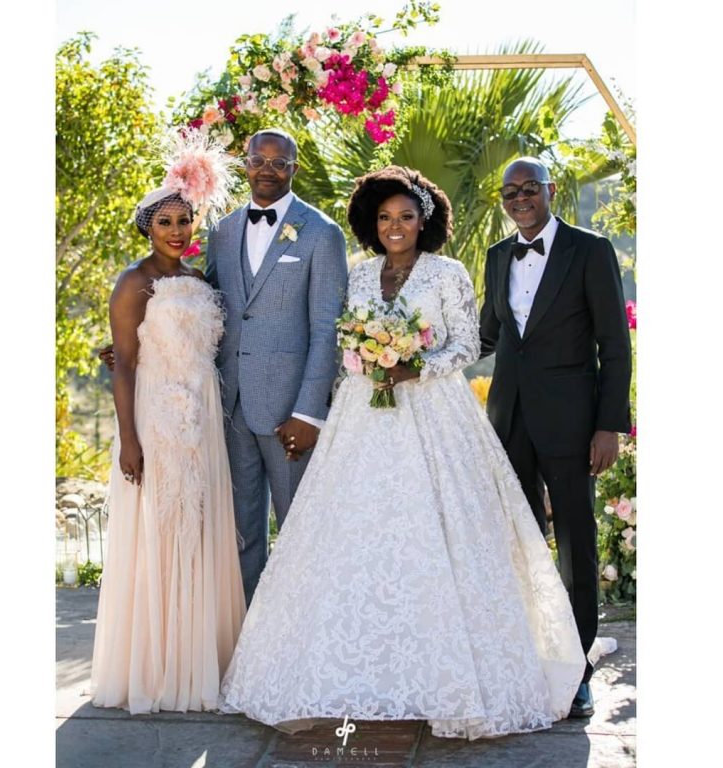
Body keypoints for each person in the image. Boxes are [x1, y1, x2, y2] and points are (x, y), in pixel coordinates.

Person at [217, 166, 586, 740]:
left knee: (436, 534)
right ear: (373, 222)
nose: (395, 226)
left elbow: (467, 343)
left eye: (406, 217)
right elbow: (343, 338)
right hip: (362, 416)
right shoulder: (361, 275)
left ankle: (448, 678)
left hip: (435, 415)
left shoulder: (448, 272)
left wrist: (415, 367)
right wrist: (365, 358)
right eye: (386, 217)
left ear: (424, 221)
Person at [90, 135, 246, 714]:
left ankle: (200, 657)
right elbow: (125, 364)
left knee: (200, 528)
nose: (177, 231)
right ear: (147, 228)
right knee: (161, 528)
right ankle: (158, 666)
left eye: (184, 220)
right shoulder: (133, 282)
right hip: (156, 417)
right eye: (165, 222)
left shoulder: (203, 281)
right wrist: (130, 440)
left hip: (204, 418)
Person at [478, 157, 632, 718]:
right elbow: (486, 335)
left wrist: (608, 425)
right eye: (510, 192)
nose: (520, 198)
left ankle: (578, 670)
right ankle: (528, 654)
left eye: (529, 188)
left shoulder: (589, 250)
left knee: (575, 544)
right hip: (509, 419)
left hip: (572, 422)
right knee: (519, 541)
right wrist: (415, 352)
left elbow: (614, 343)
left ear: (550, 190)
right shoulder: (497, 256)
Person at [205, 128, 349, 604]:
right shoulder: (222, 230)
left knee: (300, 529)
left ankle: (304, 633)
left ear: (294, 168)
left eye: (279, 162)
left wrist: (309, 412)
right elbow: (207, 304)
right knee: (241, 534)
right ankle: (250, 635)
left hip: (290, 412)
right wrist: (138, 334)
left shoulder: (322, 233)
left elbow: (328, 328)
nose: (267, 170)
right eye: (258, 160)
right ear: (244, 163)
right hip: (231, 406)